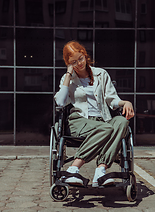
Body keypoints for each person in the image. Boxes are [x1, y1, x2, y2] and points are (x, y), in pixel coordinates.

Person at [54, 40, 134, 187]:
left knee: (122, 122)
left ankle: (100, 171)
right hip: (79, 120)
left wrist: (125, 103)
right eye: (73, 62)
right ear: (68, 63)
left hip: (102, 120)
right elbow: (60, 102)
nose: (79, 63)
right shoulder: (68, 80)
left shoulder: (101, 74)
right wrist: (67, 75)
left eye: (81, 58)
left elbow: (112, 99)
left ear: (85, 55)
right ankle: (73, 168)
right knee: (107, 128)